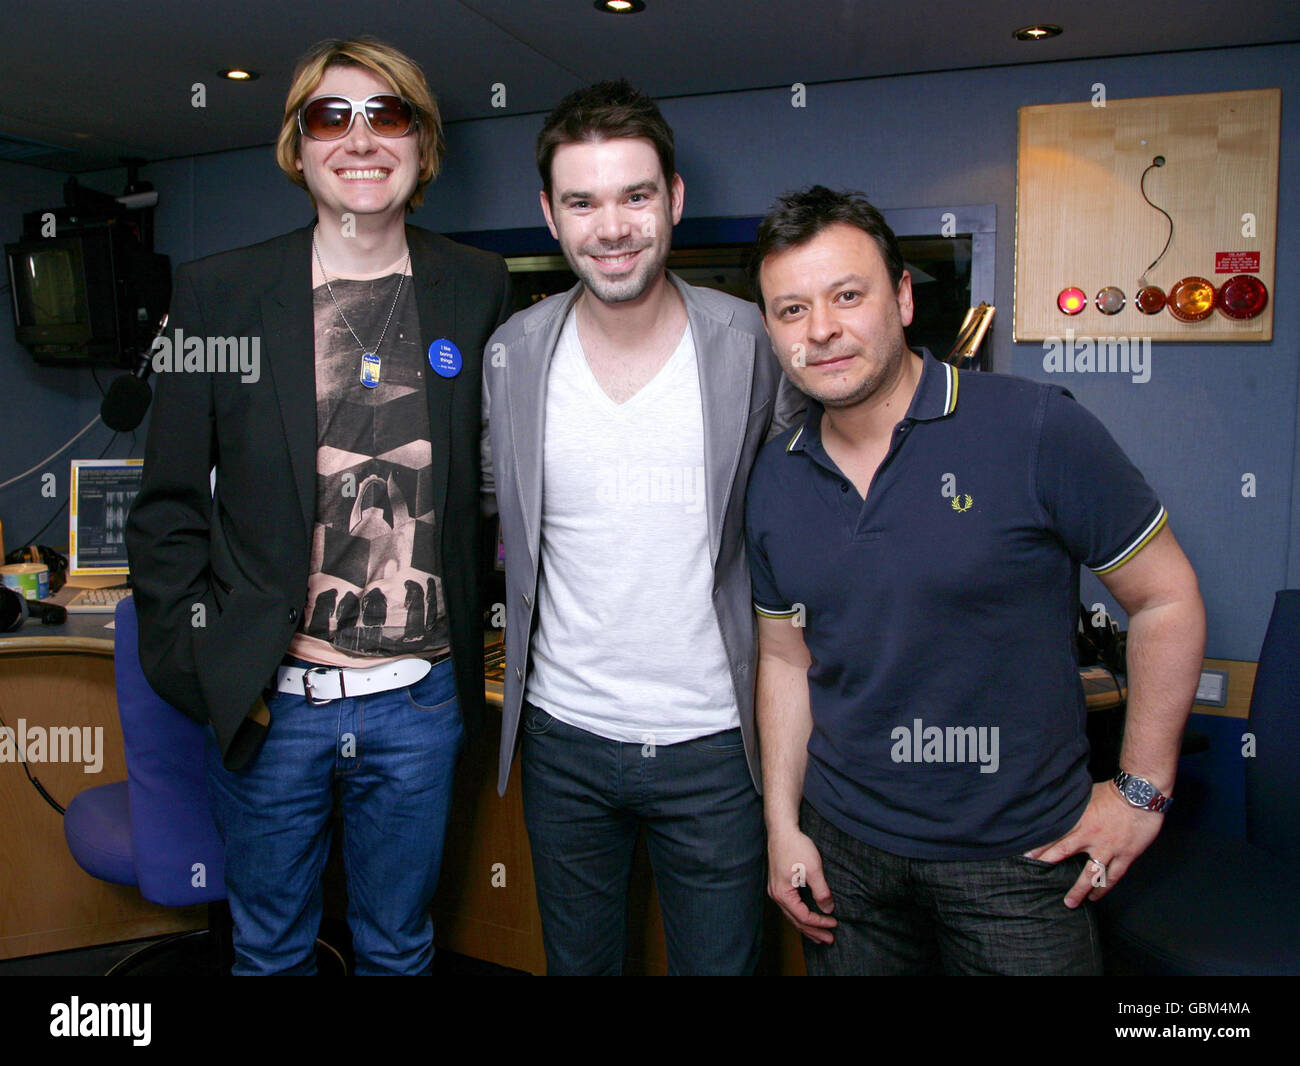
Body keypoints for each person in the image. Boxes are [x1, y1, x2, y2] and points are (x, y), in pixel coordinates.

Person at [745, 186, 1205, 975]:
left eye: (847, 295)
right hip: (847, 860)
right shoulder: (773, 480)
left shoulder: (1034, 427)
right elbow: (787, 660)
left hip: (1019, 866)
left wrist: (1140, 792)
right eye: (791, 310)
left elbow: (1166, 598)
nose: (820, 330)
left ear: (902, 297)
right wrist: (783, 826)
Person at [125, 36, 512, 975]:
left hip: (420, 704)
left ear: (422, 145)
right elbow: (167, 507)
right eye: (330, 116)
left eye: (387, 115)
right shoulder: (217, 295)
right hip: (272, 704)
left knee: (398, 948)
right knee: (267, 953)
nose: (360, 138)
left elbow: (498, 492)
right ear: (298, 146)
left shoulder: (476, 286)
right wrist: (203, 667)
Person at [481, 80, 799, 975]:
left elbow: (812, 518)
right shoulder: (513, 354)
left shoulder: (752, 342)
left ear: (676, 200)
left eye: (635, 195)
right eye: (582, 201)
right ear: (550, 214)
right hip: (563, 742)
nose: (611, 226)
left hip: (715, 747)